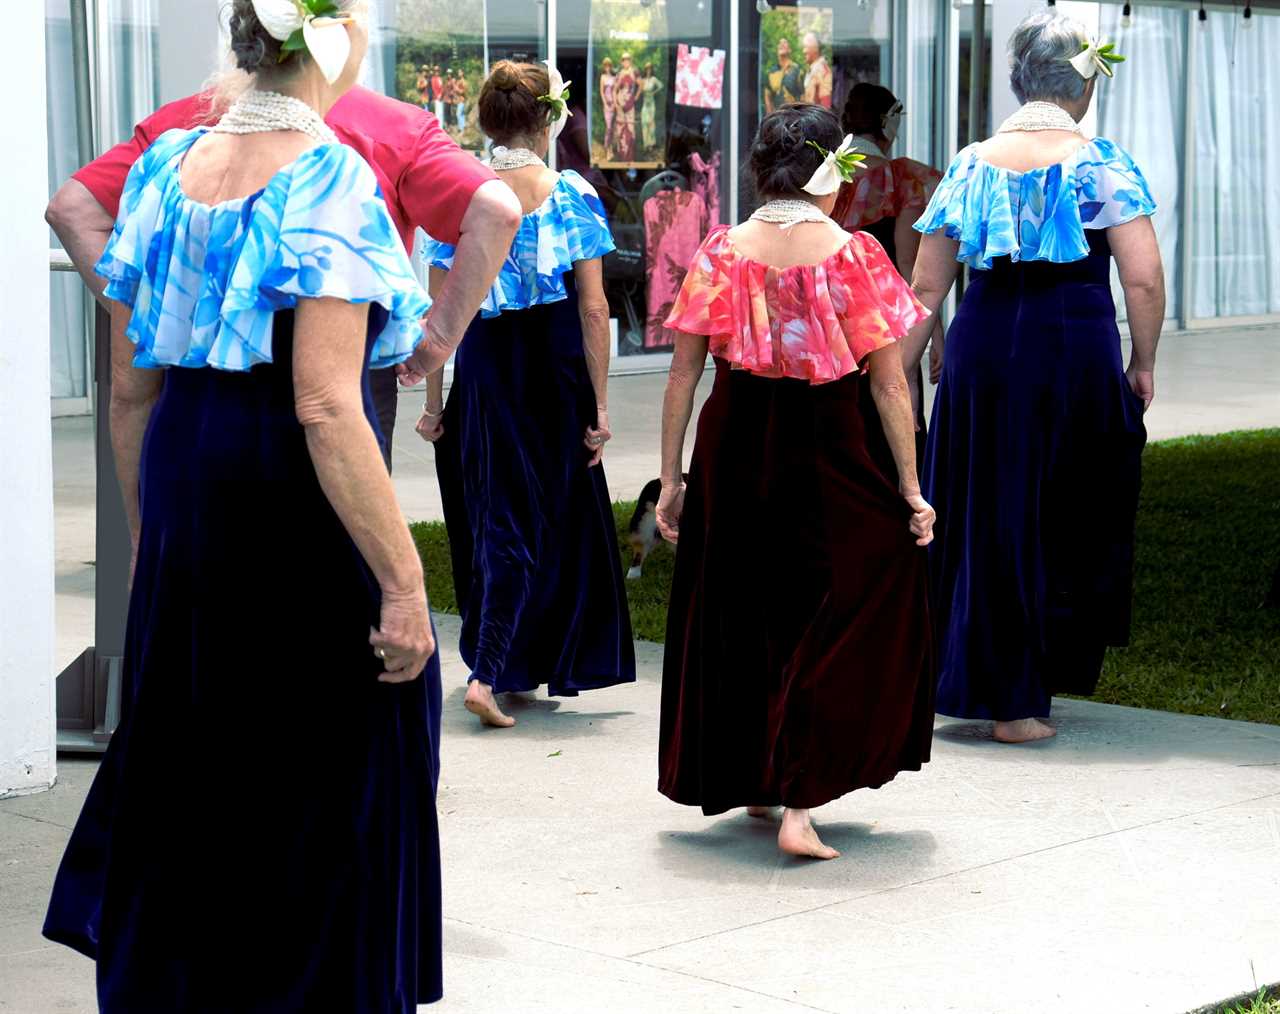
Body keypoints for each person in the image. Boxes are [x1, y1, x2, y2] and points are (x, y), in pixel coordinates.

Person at [41, 2, 453, 1008]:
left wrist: (151, 530)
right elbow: (323, 402)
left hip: (187, 463)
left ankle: (183, 980)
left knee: (197, 731)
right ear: (335, 44)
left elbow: (132, 383)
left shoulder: (166, 165)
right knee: (335, 739)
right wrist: (404, 584)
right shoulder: (329, 175)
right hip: (284, 482)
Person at [656, 104, 937, 860]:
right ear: (828, 172)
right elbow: (890, 387)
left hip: (734, 439)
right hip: (828, 442)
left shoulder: (722, 248)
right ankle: (801, 801)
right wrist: (910, 488)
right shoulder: (857, 255)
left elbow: (682, 373)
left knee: (744, 603)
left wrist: (670, 475)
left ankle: (759, 776)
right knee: (837, 605)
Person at [45, 66, 520, 476]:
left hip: (197, 382)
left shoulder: (183, 126)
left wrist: (156, 315)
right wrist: (436, 340)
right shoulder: (390, 126)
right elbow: (496, 212)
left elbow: (73, 212)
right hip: (345, 370)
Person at [904, 12, 1162, 743]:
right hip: (1071, 345)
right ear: (1081, 81)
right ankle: (1023, 695)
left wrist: (896, 378)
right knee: (1066, 502)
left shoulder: (970, 162)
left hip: (984, 343)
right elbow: (1141, 280)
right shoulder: (1101, 160)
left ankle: (986, 676)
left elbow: (925, 289)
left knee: (986, 504)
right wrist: (1142, 361)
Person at [417, 61, 636, 729]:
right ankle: (495, 667)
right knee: (554, 513)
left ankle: (505, 662)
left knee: (496, 512)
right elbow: (594, 309)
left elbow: (437, 313)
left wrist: (433, 405)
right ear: (549, 119)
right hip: (556, 367)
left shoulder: (459, 193)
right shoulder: (572, 195)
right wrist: (598, 405)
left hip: (485, 365)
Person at [833, 82, 944, 459]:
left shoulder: (823, 177)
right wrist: (934, 336)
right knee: (895, 423)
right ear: (887, 122)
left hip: (829, 320)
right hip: (884, 323)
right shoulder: (899, 178)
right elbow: (912, 266)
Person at [613, 53, 641, 163]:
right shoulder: (619, 74)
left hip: (630, 105)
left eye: (628, 59)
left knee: (631, 129)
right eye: (624, 59)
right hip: (620, 104)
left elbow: (641, 84)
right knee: (620, 129)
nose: (626, 61)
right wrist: (615, 103)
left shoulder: (635, 71)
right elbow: (615, 89)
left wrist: (636, 97)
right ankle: (621, 156)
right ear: (621, 61)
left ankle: (630, 157)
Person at [765, 37, 805, 114]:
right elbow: (767, 97)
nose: (781, 44)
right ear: (777, 50)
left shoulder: (797, 69)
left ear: (789, 50)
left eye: (785, 43)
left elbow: (803, 95)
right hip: (777, 117)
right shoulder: (771, 72)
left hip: (794, 116)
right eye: (780, 43)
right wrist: (770, 117)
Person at [802, 32, 833, 109]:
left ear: (816, 48)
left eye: (806, 47)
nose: (803, 51)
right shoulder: (813, 70)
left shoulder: (822, 71)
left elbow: (826, 105)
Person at [640, 61, 664, 154]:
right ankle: (645, 144)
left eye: (650, 69)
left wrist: (654, 92)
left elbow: (661, 85)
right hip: (645, 103)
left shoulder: (654, 79)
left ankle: (651, 144)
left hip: (652, 103)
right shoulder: (643, 80)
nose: (648, 71)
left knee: (651, 122)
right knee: (644, 122)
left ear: (651, 70)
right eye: (647, 69)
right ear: (645, 70)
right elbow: (639, 90)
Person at [599, 57, 617, 161]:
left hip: (613, 104)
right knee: (609, 127)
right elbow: (601, 91)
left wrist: (615, 103)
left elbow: (614, 91)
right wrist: (605, 103)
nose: (607, 67)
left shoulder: (613, 78)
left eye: (608, 65)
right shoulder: (603, 77)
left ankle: (610, 148)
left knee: (613, 128)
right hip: (607, 104)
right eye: (605, 65)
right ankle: (608, 149)